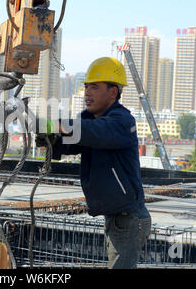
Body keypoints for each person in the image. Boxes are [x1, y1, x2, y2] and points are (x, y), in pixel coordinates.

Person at [36, 57, 151, 269]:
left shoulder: (122, 121)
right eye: (87, 87)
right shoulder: (89, 119)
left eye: (94, 87)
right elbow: (71, 144)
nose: (87, 92)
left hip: (129, 218)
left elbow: (93, 133)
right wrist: (50, 140)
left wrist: (56, 124)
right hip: (116, 217)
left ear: (113, 92)